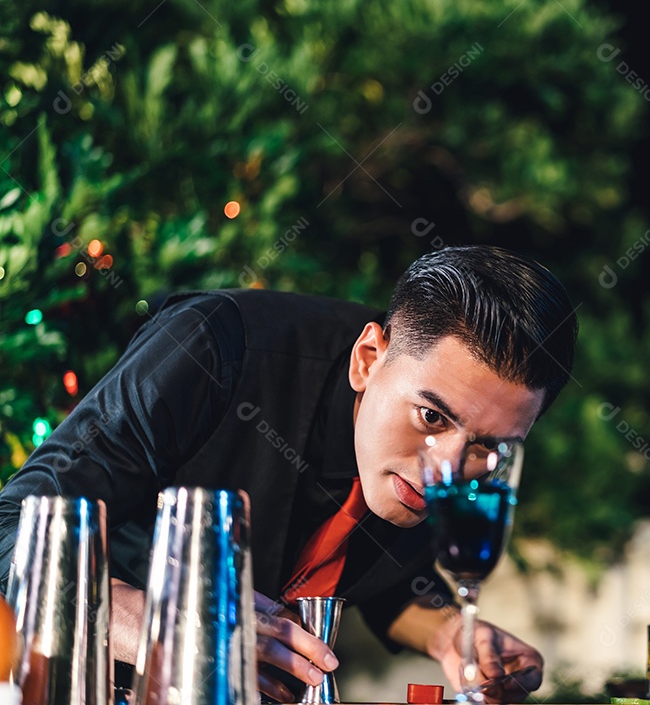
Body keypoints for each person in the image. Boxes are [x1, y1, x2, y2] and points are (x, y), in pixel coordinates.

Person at [0, 244, 578, 703]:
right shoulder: (213, 345)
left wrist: (450, 635)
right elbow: (10, 535)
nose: (446, 468)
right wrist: (187, 629)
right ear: (368, 359)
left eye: (486, 446)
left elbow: (386, 579)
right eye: (430, 416)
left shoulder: (433, 452)